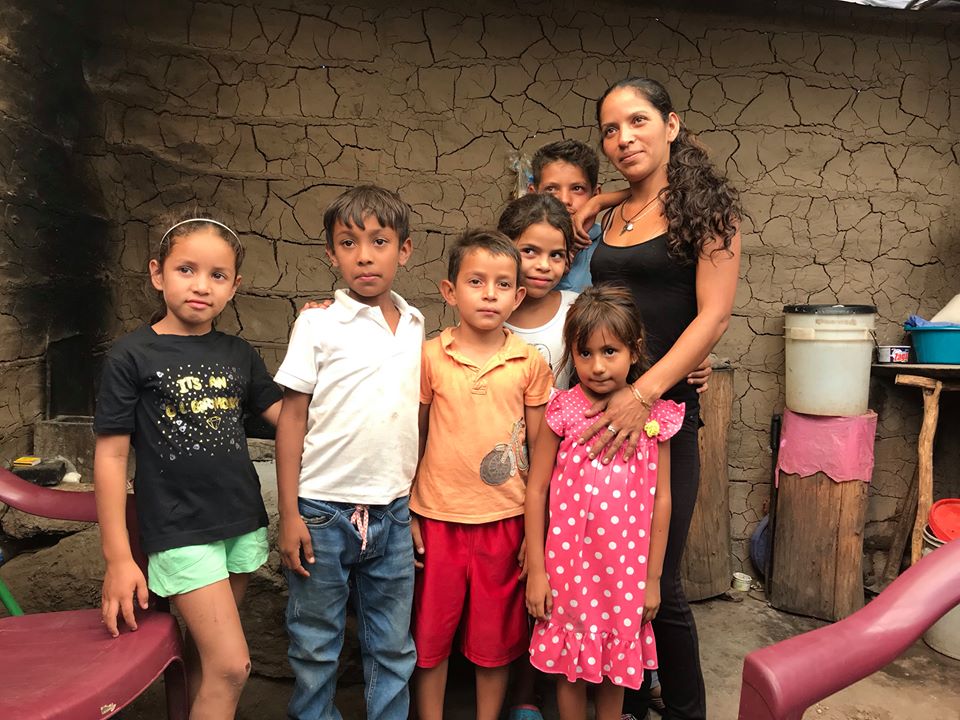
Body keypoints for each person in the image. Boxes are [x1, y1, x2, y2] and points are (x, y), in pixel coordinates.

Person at [576, 77, 742, 720]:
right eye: (610, 129)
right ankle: (626, 699)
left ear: (671, 125)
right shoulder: (612, 214)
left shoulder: (709, 214)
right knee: (603, 570)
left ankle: (687, 710)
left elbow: (713, 316)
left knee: (660, 579)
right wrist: (603, 198)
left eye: (638, 121)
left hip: (663, 416)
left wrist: (645, 393)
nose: (623, 138)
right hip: (596, 412)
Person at [94, 216, 283, 717]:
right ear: (157, 273)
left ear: (234, 286)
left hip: (240, 521)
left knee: (206, 659)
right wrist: (118, 558)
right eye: (186, 269)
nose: (202, 285)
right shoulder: (131, 355)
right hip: (180, 530)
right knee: (232, 667)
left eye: (217, 275)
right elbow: (111, 457)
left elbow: (288, 419)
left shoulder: (239, 353)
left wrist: (324, 334)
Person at [273, 185, 422, 720]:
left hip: (393, 511)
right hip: (322, 511)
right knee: (315, 644)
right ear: (331, 254)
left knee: (393, 645)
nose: (364, 255)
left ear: (404, 250)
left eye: (379, 241)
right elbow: (292, 418)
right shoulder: (317, 322)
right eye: (348, 242)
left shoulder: (416, 324)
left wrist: (414, 504)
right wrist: (289, 513)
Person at [412, 230, 554, 720]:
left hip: (505, 520)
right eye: (476, 282)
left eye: (502, 284)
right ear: (449, 291)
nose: (489, 294)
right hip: (438, 519)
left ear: (518, 296)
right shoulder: (430, 356)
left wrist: (534, 532)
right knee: (430, 639)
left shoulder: (529, 362)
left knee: (495, 641)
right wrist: (409, 508)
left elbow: (540, 453)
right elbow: (415, 438)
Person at [525, 286, 681, 720]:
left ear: (635, 351)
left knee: (617, 667)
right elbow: (536, 489)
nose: (597, 366)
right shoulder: (562, 411)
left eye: (610, 351)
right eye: (585, 353)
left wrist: (653, 579)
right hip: (567, 569)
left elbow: (663, 500)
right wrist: (537, 571)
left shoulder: (654, 417)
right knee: (569, 670)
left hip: (626, 574)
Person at [501, 192, 578, 389]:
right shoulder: (485, 312)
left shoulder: (575, 309)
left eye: (556, 255)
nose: (544, 265)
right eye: (529, 251)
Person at [528, 139, 602, 293]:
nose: (564, 200)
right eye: (551, 189)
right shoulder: (519, 247)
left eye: (577, 188)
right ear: (532, 195)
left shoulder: (610, 247)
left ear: (595, 196)